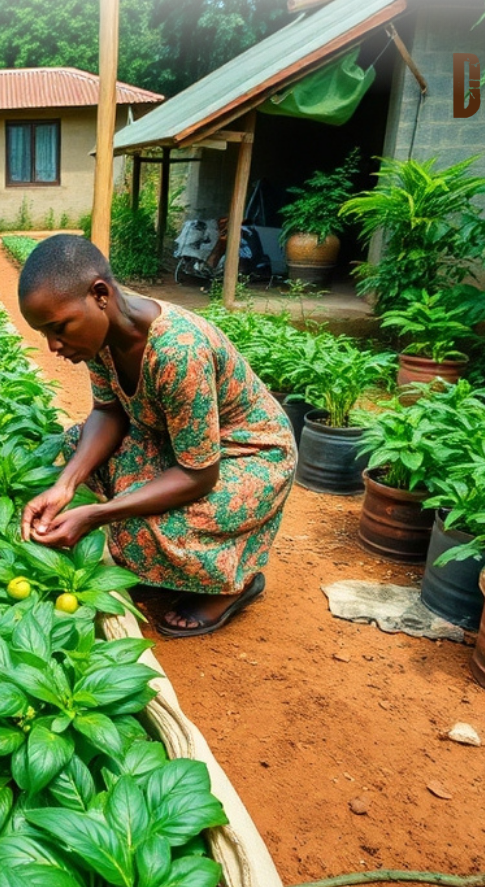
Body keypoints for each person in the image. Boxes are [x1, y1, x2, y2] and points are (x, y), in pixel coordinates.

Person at [18, 234, 296, 636]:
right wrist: (65, 487)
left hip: (247, 456)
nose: (53, 345)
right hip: (178, 442)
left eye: (59, 328)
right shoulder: (101, 341)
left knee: (136, 527)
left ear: (99, 294)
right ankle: (167, 563)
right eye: (45, 333)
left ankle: (235, 582)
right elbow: (108, 411)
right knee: (77, 447)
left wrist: (97, 514)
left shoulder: (177, 350)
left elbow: (200, 474)